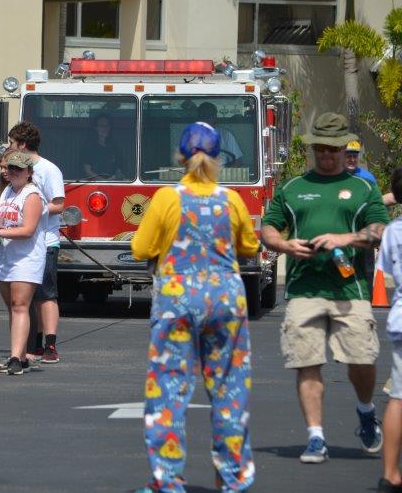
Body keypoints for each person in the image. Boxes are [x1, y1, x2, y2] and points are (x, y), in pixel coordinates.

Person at [131, 122, 258, 493]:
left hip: (177, 298)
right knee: (230, 390)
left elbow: (141, 248)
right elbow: (249, 246)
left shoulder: (167, 198)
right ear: (219, 158)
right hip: (225, 298)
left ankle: (168, 480)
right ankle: (234, 479)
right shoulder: (231, 199)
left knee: (168, 389)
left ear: (180, 157)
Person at [260, 112, 389, 463]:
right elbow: (269, 227)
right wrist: (284, 245)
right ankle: (315, 437)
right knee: (307, 361)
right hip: (304, 289)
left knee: (362, 358)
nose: (327, 155)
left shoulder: (363, 188)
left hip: (350, 290)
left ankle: (365, 410)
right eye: (321, 148)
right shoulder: (293, 188)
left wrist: (345, 238)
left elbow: (380, 229)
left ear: (344, 149)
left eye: (333, 149)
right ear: (313, 148)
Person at [0, 151, 47, 375]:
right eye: (10, 168)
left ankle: (17, 358)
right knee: (13, 308)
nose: (13, 172)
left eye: (19, 169)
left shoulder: (32, 195)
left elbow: (28, 230)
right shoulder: (6, 191)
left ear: (29, 172)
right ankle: (18, 355)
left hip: (26, 258)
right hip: (6, 257)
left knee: (20, 305)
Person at [8, 121, 65, 363]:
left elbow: (59, 204)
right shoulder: (13, 170)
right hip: (23, 242)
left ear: (22, 144)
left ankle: (50, 345)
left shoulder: (48, 169)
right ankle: (33, 344)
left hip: (45, 240)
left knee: (45, 294)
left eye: (12, 143)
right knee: (25, 298)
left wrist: (33, 209)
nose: (9, 147)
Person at [379, 167, 402, 493]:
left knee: (398, 398)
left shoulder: (393, 232)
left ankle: (390, 473)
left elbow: (386, 275)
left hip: (400, 317)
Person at [197, 102, 243, 167]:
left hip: (222, 172)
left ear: (215, 117)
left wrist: (228, 172)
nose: (206, 119)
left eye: (209, 116)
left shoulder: (226, 135)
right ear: (199, 118)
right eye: (203, 116)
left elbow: (238, 161)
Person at [83, 114, 122, 181]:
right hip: (94, 184)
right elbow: (87, 172)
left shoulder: (114, 146)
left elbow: (118, 168)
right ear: (95, 128)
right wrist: (105, 182)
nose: (105, 128)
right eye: (102, 126)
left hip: (113, 182)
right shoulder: (89, 147)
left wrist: (119, 177)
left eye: (107, 125)